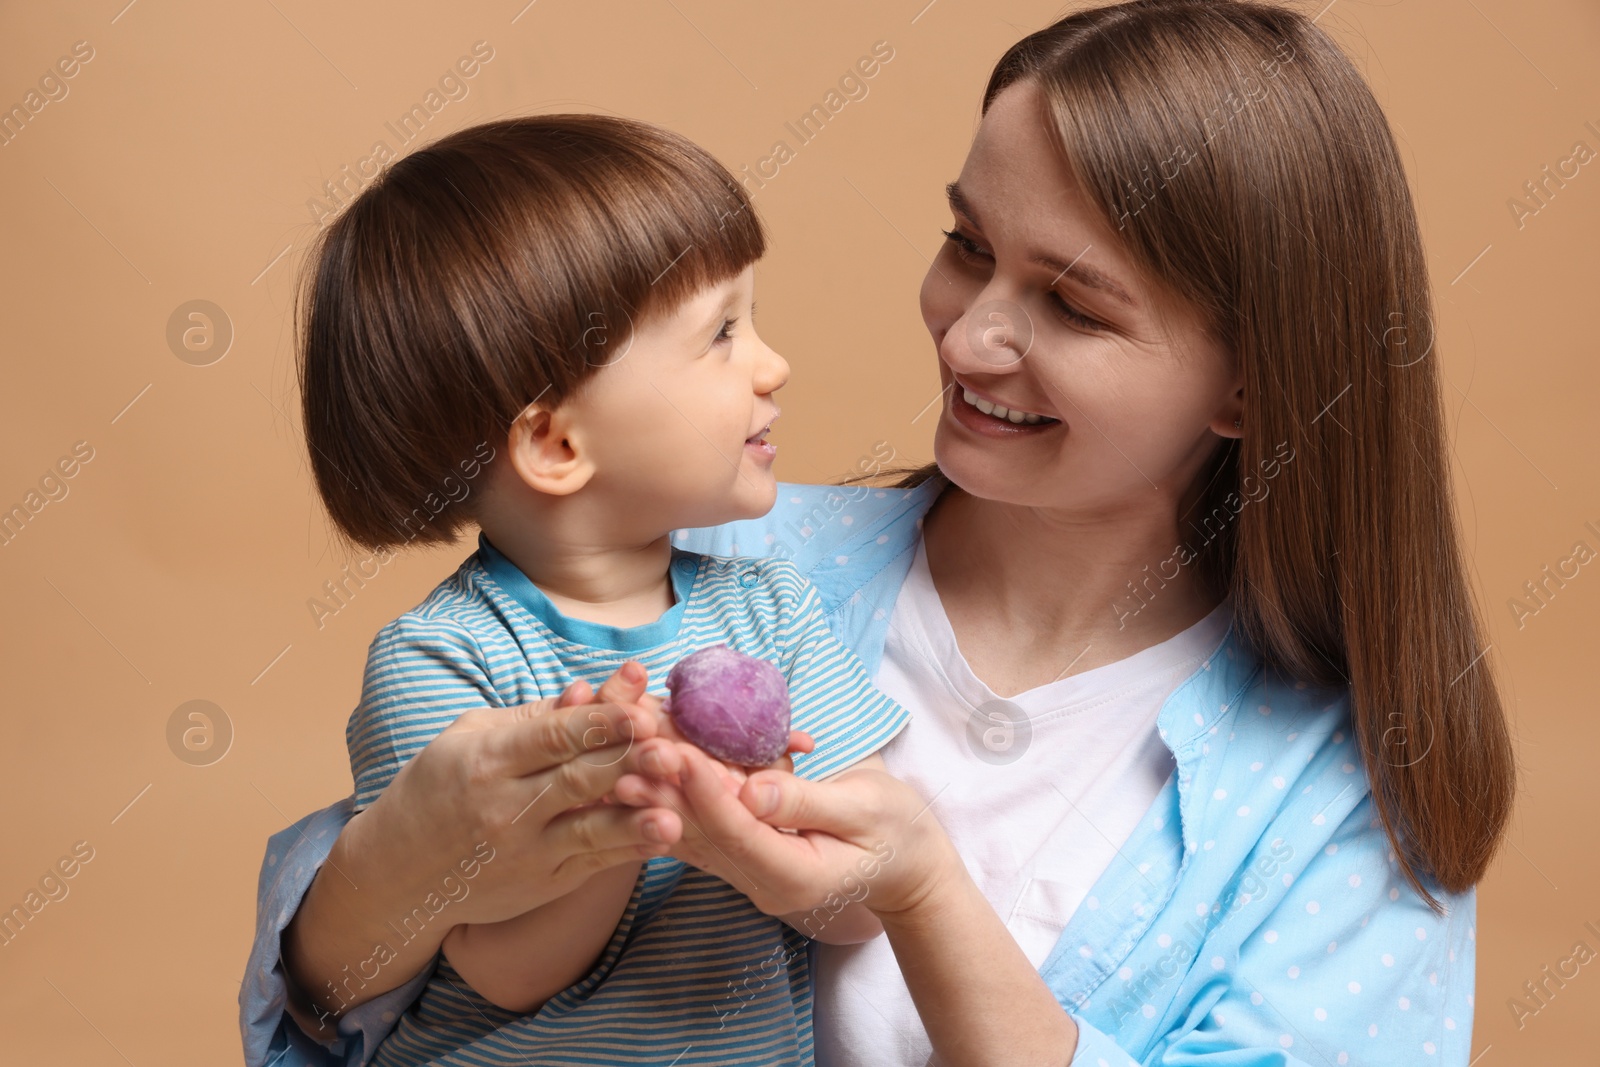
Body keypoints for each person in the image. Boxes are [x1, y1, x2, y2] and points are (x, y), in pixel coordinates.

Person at [241, 2, 1515, 1065]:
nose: (965, 339)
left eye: (1071, 304)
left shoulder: (1344, 793)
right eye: (967, 244)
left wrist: (922, 892)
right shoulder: (704, 553)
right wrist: (395, 868)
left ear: (1248, 386)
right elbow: (336, 1009)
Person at [275, 112, 912, 1066]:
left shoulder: (771, 611)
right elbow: (501, 968)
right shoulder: (445, 659)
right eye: (723, 334)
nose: (773, 366)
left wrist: (750, 817)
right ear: (558, 444)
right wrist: (625, 809)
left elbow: (861, 901)